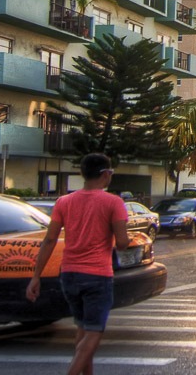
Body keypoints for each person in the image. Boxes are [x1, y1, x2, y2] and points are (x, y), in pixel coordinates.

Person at [26, 153, 129, 375]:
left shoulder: (64, 202)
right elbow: (121, 243)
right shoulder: (114, 202)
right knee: (93, 333)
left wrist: (36, 277)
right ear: (105, 174)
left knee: (82, 330)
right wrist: (121, 237)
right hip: (97, 276)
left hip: (69, 275)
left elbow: (50, 240)